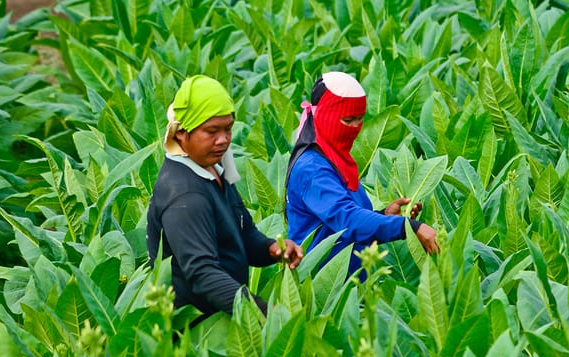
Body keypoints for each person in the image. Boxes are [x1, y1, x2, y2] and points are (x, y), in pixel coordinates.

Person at [146, 75, 302, 321]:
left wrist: (271, 248)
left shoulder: (213, 169)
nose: (223, 140)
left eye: (227, 129)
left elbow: (242, 233)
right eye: (211, 131)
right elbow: (202, 273)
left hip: (225, 315)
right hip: (197, 331)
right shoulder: (185, 195)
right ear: (181, 134)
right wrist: (263, 313)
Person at [285, 71, 439, 276]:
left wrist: (384, 215)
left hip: (351, 287)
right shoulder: (311, 169)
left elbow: (339, 227)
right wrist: (409, 226)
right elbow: (348, 220)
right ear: (325, 116)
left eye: (360, 119)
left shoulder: (337, 159)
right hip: (321, 294)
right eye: (348, 120)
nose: (355, 128)